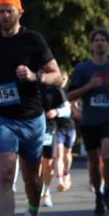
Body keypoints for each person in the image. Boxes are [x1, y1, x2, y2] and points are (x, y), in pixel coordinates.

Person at [0, 0, 62, 216]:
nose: (4, 16)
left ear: (20, 12)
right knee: (4, 173)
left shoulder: (33, 40)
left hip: (31, 118)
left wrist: (34, 75)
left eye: (9, 11)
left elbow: (58, 77)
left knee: (31, 179)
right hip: (1, 117)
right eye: (0, 12)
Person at [67, 29, 109, 216]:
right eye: (96, 40)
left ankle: (107, 192)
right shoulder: (83, 69)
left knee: (106, 156)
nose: (99, 43)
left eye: (103, 40)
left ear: (108, 44)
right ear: (92, 44)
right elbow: (70, 95)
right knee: (92, 161)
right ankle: (98, 196)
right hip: (89, 121)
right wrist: (89, 86)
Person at [39, 77, 70, 207]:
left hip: (49, 130)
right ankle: (34, 191)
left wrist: (56, 111)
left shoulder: (57, 91)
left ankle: (46, 191)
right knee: (34, 163)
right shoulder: (30, 87)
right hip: (32, 130)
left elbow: (67, 110)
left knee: (48, 162)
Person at [52, 70, 77, 192]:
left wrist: (76, 106)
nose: (63, 80)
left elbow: (73, 108)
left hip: (70, 127)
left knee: (67, 153)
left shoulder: (70, 93)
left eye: (65, 78)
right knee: (59, 155)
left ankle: (67, 173)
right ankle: (60, 180)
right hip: (58, 127)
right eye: (60, 78)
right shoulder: (54, 92)